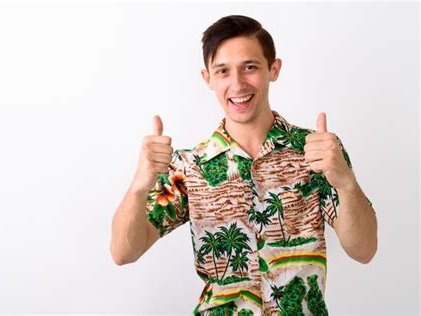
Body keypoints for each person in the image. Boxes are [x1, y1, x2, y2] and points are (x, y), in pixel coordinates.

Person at [110, 15, 377, 315]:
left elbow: (364, 250)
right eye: (223, 71)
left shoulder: (317, 153)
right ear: (207, 78)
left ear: (273, 69)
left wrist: (345, 181)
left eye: (250, 67)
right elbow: (124, 252)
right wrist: (138, 187)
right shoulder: (189, 167)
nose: (237, 84)